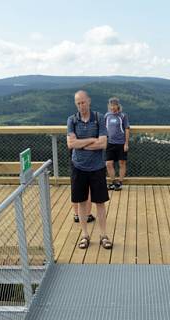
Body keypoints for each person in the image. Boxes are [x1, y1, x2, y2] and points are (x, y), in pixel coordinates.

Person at [67, 90, 112, 250]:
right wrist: (92, 140)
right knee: (81, 203)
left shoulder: (99, 118)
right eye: (78, 103)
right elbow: (71, 145)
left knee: (100, 202)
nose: (81, 106)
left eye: (83, 102)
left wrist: (82, 143)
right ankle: (85, 235)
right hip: (78, 167)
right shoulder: (72, 120)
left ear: (89, 101)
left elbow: (103, 144)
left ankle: (103, 235)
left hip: (97, 167)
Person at [105, 97, 130, 191]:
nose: (113, 107)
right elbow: (103, 128)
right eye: (111, 105)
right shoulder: (107, 115)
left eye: (114, 105)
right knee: (108, 163)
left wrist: (126, 143)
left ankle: (120, 182)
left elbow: (127, 129)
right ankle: (114, 182)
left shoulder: (123, 116)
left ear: (118, 106)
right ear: (109, 106)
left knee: (122, 163)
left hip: (121, 143)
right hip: (109, 143)